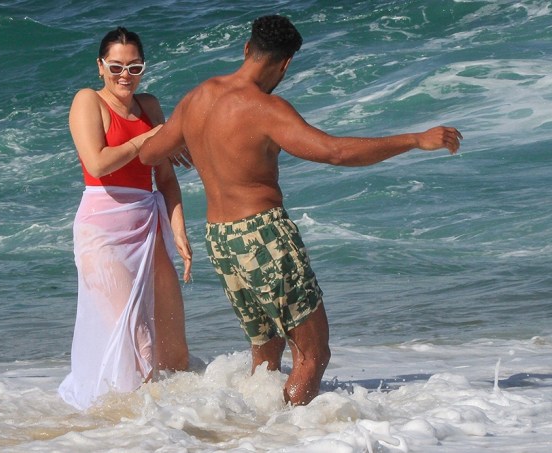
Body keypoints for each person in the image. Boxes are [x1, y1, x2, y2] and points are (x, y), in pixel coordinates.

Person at [139, 15, 462, 406]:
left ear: (246, 49)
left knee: (267, 350)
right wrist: (414, 139)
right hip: (262, 235)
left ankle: (257, 431)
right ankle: (294, 439)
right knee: (312, 354)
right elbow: (335, 151)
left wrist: (184, 139)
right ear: (286, 63)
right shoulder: (265, 109)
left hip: (221, 241)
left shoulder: (197, 98)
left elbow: (149, 152)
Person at [58, 27, 192, 410]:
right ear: (100, 66)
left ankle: (183, 420)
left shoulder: (149, 107)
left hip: (148, 225)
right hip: (102, 229)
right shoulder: (88, 101)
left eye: (134, 66)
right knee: (138, 340)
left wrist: (179, 231)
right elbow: (97, 161)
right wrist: (145, 141)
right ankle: (139, 428)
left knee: (174, 350)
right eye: (116, 66)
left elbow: (165, 179)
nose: (125, 75)